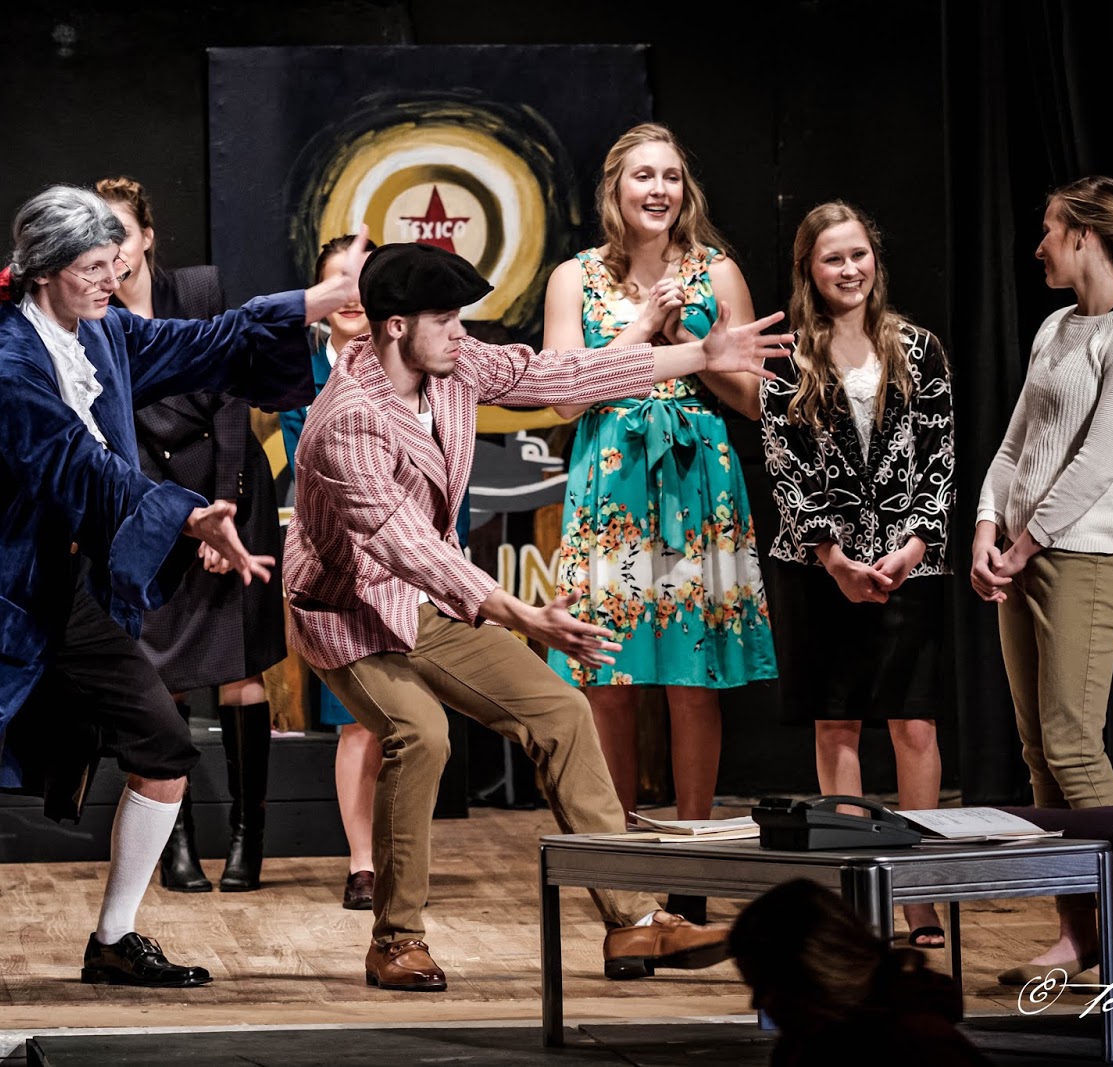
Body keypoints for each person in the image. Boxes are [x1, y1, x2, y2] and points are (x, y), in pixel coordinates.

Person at [0, 185, 365, 999]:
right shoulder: (8, 364)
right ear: (45, 271)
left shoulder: (103, 331)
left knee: (163, 744)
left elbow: (203, 340)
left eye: (114, 265)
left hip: (70, 591)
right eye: (93, 269)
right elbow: (83, 469)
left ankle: (113, 938)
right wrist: (187, 516)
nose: (111, 281)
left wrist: (314, 301)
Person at [284, 240, 789, 992]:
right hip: (350, 610)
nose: (461, 333)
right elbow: (405, 544)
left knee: (561, 711)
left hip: (429, 602)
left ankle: (633, 917)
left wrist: (695, 355)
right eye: (446, 319)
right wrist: (522, 615)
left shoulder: (451, 366)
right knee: (420, 735)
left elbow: (559, 374)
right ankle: (396, 939)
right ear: (396, 327)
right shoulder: (346, 419)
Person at [543, 123, 777, 925]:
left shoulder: (718, 271)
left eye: (671, 176)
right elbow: (564, 397)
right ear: (615, 189)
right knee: (609, 678)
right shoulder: (574, 277)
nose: (659, 189)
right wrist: (642, 327)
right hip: (610, 482)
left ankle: (692, 863)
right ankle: (621, 865)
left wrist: (687, 337)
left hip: (695, 484)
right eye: (643, 175)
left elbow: (754, 400)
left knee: (691, 675)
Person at [971, 175, 1113, 986]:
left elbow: (1097, 463)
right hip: (1023, 554)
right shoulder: (1057, 327)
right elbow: (1017, 443)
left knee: (1073, 744)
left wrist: (1025, 544)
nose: (1040, 247)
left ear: (1085, 236)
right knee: (1040, 753)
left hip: (1085, 557)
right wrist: (987, 526)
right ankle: (1076, 931)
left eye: (1050, 231)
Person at [758, 202, 955, 949]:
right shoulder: (788, 356)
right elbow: (784, 464)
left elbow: (939, 455)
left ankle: (918, 895)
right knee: (836, 720)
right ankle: (858, 890)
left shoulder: (919, 348)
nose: (849, 270)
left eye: (859, 254)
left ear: (876, 258)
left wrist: (914, 545)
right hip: (821, 569)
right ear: (809, 269)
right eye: (833, 258)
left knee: (914, 721)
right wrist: (833, 556)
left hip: (910, 562)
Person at [97, 176, 283, 895]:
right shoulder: (92, 319)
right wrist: (176, 516)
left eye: (120, 232)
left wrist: (224, 506)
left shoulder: (199, 289)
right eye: (96, 237)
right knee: (163, 672)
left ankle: (247, 835)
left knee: (241, 670)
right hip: (158, 503)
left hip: (231, 486)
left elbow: (233, 398)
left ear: (147, 237)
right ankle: (176, 842)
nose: (111, 250)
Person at [278, 234, 383, 910]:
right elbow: (311, 470)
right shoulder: (301, 374)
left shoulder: (417, 367)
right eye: (336, 281)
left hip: (414, 564)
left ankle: (402, 855)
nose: (351, 295)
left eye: (363, 281)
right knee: (356, 720)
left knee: (407, 725)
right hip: (341, 565)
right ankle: (362, 863)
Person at [730, 880, 991, 1066]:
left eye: (766, 985)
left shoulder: (918, 1045)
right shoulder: (802, 1042)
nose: (756, 1003)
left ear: (818, 973)